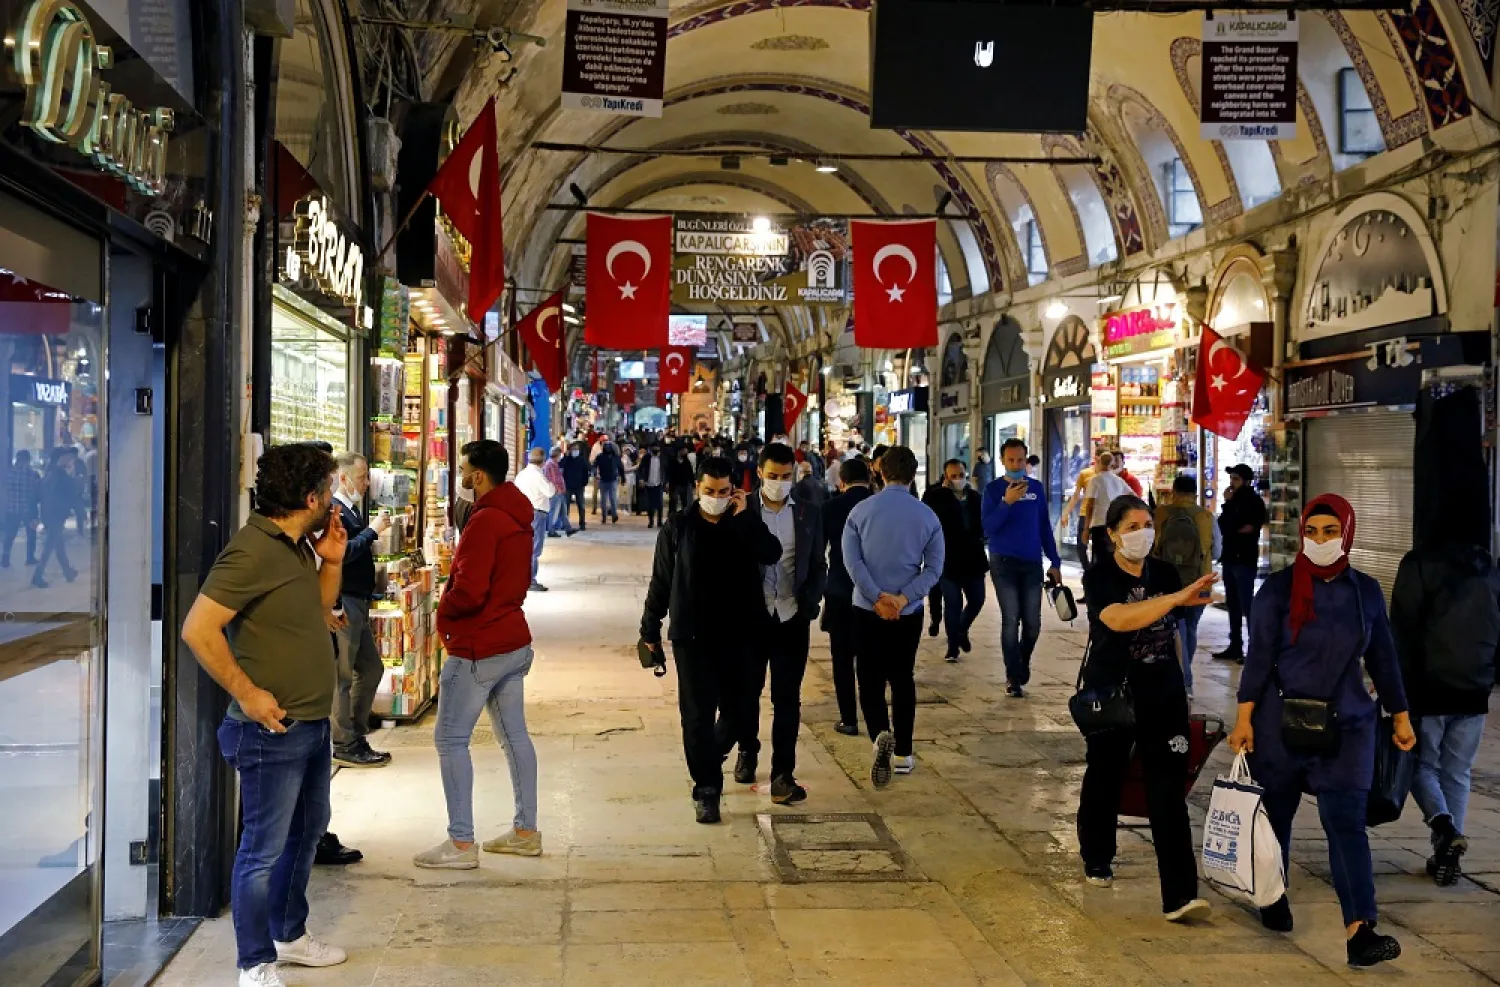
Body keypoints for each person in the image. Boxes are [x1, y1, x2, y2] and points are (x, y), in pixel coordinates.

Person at [180, 443, 350, 987]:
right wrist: (248, 693)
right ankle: (253, 963)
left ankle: (289, 934)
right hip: (269, 731)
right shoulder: (251, 552)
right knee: (261, 851)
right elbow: (197, 630)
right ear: (310, 497)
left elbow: (320, 613)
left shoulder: (296, 545)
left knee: (306, 834)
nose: (334, 497)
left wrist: (333, 562)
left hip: (309, 725)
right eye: (329, 489)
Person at [1228, 495, 1414, 967]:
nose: (1321, 541)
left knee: (1346, 824)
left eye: (1331, 532)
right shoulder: (1276, 590)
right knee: (1278, 818)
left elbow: (1384, 658)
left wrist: (1400, 714)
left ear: (1347, 534)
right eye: (1313, 532)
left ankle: (1361, 931)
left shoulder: (1366, 591)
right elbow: (1260, 655)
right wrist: (1244, 717)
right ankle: (1273, 895)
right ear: (1301, 534)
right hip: (1280, 721)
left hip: (1348, 723)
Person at [1076, 494, 1216, 925]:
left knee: (1168, 792)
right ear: (1114, 534)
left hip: (1162, 692)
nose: (1142, 534)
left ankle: (1179, 895)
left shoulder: (1166, 573)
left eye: (1146, 525)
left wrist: (1183, 683)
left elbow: (1172, 634)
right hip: (1115, 692)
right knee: (1105, 775)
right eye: (1132, 527)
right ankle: (1097, 856)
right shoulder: (1100, 576)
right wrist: (1172, 600)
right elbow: (1118, 619)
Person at [416, 441, 543, 869]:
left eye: (465, 469)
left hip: (478, 645)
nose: (462, 476)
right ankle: (526, 832)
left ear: (479, 476)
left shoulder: (486, 521)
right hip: (512, 639)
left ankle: (461, 844)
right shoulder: (518, 515)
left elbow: (469, 590)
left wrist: (444, 610)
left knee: (450, 739)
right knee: (515, 737)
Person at [639, 456, 783, 823]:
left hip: (743, 634)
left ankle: (709, 755)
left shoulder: (745, 524)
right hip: (693, 636)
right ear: (697, 489)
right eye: (709, 491)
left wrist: (746, 516)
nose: (715, 497)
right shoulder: (677, 527)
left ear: (733, 490)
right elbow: (661, 582)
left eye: (722, 492)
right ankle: (706, 789)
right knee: (697, 716)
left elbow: (772, 553)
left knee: (741, 710)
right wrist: (649, 631)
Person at [721, 443, 826, 804]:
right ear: (760, 473)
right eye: (773, 476)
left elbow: (817, 562)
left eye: (786, 477)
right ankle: (747, 751)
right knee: (747, 694)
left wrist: (810, 602)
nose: (779, 483)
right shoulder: (743, 508)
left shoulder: (809, 512)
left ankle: (783, 771)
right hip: (751, 617)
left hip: (791, 615)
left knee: (787, 699)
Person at [1392, 537, 1498, 887]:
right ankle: (1446, 859)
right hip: (1474, 686)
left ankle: (1444, 827)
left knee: (1418, 764)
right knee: (1457, 773)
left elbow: (1403, 628)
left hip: (1430, 687)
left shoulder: (1420, 563)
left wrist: (1394, 683)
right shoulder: (1486, 565)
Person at [842, 447, 944, 787]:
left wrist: (876, 597)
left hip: (865, 608)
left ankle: (878, 738)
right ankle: (903, 753)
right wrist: (903, 598)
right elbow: (934, 568)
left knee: (869, 678)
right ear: (913, 474)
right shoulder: (927, 516)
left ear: (878, 472)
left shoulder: (860, 511)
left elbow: (852, 563)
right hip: (908, 611)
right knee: (902, 678)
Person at [980, 439, 1062, 697]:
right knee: (1011, 618)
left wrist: (1055, 561)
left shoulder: (1036, 489)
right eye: (1011, 460)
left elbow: (1044, 527)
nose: (1016, 464)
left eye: (1020, 460)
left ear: (1026, 460)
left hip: (1031, 563)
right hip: (1002, 561)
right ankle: (1012, 676)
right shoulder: (993, 490)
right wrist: (1007, 502)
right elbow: (988, 528)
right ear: (1003, 461)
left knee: (1033, 623)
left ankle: (1021, 662)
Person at [330, 453, 393, 768]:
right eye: (362, 477)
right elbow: (342, 554)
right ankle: (344, 743)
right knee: (342, 675)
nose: (367, 483)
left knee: (370, 669)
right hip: (344, 603)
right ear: (343, 478)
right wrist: (372, 532)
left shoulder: (351, 510)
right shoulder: (335, 511)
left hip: (358, 601)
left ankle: (354, 734)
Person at [822, 458, 875, 737]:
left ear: (841, 481)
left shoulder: (831, 507)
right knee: (870, 658)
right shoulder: (880, 505)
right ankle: (875, 718)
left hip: (840, 591)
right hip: (876, 592)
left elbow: (819, 551)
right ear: (869, 479)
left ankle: (849, 719)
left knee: (842, 659)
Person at [1152, 474, 1214, 701]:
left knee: (1176, 628)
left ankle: (1184, 680)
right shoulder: (1206, 516)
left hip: (1167, 582)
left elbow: (1153, 546)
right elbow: (1216, 552)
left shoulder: (1161, 513)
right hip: (1199, 581)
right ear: (1195, 494)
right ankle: (1185, 675)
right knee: (1190, 628)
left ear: (1174, 492)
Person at [922, 459, 988, 664]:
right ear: (946, 477)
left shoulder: (976, 497)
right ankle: (952, 646)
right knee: (952, 603)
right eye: (953, 476)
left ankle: (961, 629)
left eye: (961, 474)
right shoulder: (935, 497)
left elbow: (983, 524)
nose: (958, 479)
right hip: (948, 559)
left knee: (977, 599)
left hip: (973, 558)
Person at [1214, 464, 1267, 663]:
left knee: (1247, 604)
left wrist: (1233, 528)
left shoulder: (1254, 502)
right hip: (1229, 558)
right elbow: (1223, 526)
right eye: (1231, 479)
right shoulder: (1231, 502)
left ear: (1245, 481)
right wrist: (1227, 507)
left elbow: (1249, 528)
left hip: (1244, 559)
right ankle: (1235, 645)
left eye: (1236, 479)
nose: (1232, 483)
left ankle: (1256, 649)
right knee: (1233, 604)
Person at [33, 447, 81, 588]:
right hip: (56, 515)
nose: (70, 460)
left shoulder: (50, 473)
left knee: (58, 545)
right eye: (67, 458)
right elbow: (70, 491)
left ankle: (68, 571)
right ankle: (37, 575)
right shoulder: (58, 475)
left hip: (49, 514)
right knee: (49, 546)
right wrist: (74, 477)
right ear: (60, 459)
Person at [514, 448, 558, 592]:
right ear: (542, 462)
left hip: (521, 513)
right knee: (534, 548)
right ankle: (531, 580)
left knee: (524, 547)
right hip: (537, 514)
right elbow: (550, 492)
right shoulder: (539, 476)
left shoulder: (521, 475)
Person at [1081, 451, 1131, 568]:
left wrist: (1086, 529)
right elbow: (1133, 496)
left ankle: (1099, 582)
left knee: (1099, 557)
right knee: (1113, 556)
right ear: (1112, 463)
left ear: (1098, 462)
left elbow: (1090, 505)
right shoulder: (1118, 481)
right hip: (1115, 524)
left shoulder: (1095, 480)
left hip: (1099, 524)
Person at [2, 448, 40, 568]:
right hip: (29, 510)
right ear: (28, 460)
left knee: (10, 535)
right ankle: (29, 557)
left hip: (12, 509)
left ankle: (5, 559)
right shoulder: (33, 474)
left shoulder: (9, 474)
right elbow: (37, 492)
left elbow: (6, 489)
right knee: (31, 534)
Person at [560, 441, 590, 532]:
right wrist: (566, 456)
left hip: (579, 486)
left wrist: (584, 482)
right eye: (573, 449)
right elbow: (561, 465)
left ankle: (582, 523)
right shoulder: (567, 459)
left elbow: (586, 471)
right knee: (566, 506)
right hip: (568, 485)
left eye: (577, 449)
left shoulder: (582, 460)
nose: (575, 451)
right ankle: (565, 524)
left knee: (581, 505)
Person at [543, 447, 574, 537]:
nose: (561, 457)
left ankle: (568, 529)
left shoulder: (554, 464)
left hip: (559, 492)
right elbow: (553, 479)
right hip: (556, 492)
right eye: (560, 455)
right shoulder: (551, 464)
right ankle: (551, 531)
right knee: (554, 512)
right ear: (557, 454)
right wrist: (558, 489)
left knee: (563, 512)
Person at [594, 438, 622, 524]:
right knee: (610, 499)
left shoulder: (601, 457)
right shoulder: (613, 457)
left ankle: (608, 516)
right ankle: (609, 515)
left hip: (607, 480)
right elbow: (621, 468)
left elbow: (620, 468)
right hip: (608, 480)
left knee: (605, 499)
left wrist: (595, 474)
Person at [641, 441, 666, 527]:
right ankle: (651, 521)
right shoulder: (646, 457)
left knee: (659, 504)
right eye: (654, 448)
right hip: (649, 483)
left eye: (657, 448)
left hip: (659, 483)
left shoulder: (662, 458)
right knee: (650, 504)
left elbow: (665, 470)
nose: (655, 450)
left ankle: (659, 521)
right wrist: (642, 479)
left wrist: (665, 482)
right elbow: (641, 468)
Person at [668, 445, 696, 514]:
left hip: (684, 485)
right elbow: (669, 473)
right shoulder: (672, 461)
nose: (685, 452)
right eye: (683, 451)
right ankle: (672, 517)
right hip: (674, 485)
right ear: (679, 451)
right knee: (673, 502)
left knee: (685, 503)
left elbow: (690, 473)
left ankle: (684, 518)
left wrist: (693, 484)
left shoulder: (687, 462)